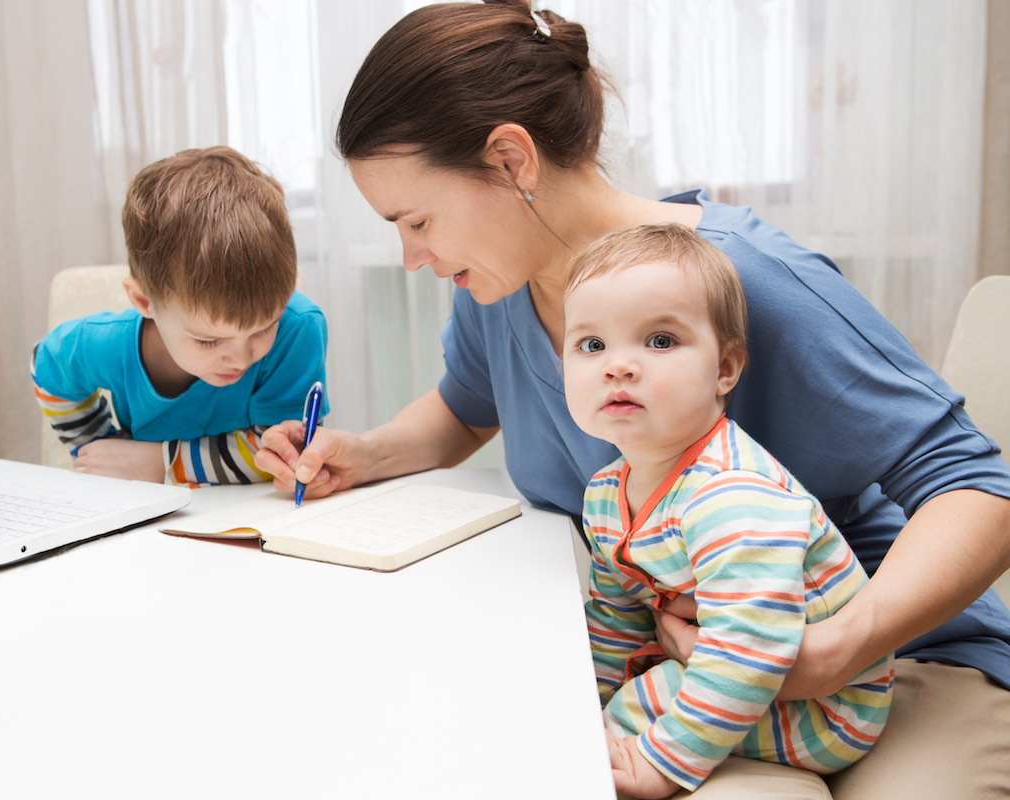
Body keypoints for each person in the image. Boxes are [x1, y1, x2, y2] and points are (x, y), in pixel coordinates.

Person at [254, 2, 1010, 796]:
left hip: (900, 653)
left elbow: (978, 490)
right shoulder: (494, 291)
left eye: (417, 219)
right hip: (701, 675)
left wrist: (837, 646)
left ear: (512, 160)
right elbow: (467, 407)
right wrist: (362, 453)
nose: (411, 256)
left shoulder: (743, 283)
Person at [564, 224, 893, 798]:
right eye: (592, 346)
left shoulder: (731, 494)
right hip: (731, 661)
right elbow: (616, 615)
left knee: (628, 717)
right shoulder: (604, 493)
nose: (618, 366)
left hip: (824, 706)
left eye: (660, 341)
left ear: (725, 369)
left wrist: (660, 763)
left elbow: (749, 652)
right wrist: (583, 697)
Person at [33, 146, 329, 487]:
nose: (242, 357)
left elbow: (279, 455)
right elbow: (47, 368)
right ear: (144, 301)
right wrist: (100, 450)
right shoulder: (108, 343)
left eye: (265, 328)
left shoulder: (297, 329)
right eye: (208, 340)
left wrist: (161, 463)